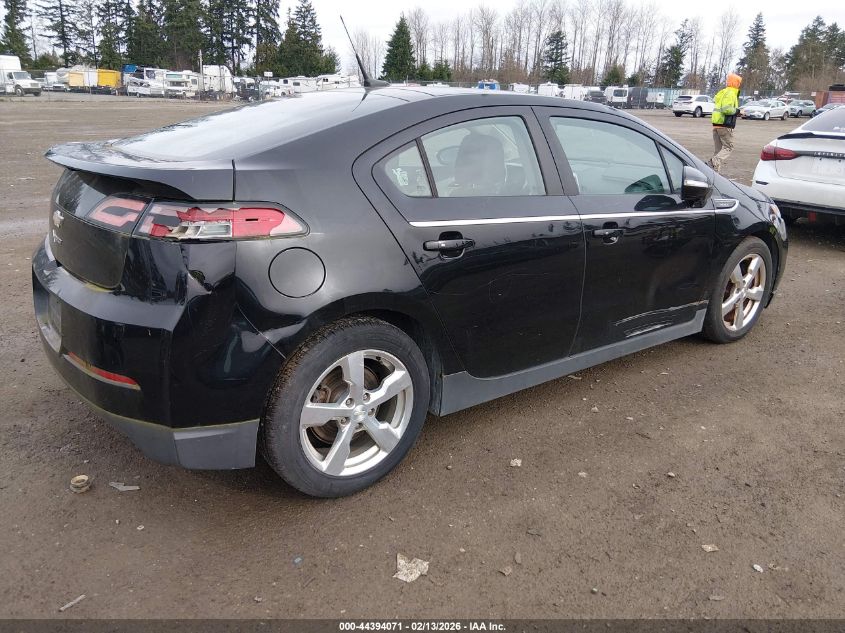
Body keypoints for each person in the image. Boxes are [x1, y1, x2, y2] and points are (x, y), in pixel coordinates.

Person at [709, 73, 742, 173]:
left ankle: (714, 173)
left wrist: (736, 112)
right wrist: (738, 111)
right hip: (724, 125)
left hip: (716, 125)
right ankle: (714, 161)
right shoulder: (731, 93)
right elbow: (726, 109)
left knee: (718, 151)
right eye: (739, 82)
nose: (739, 84)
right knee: (729, 147)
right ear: (736, 83)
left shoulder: (723, 92)